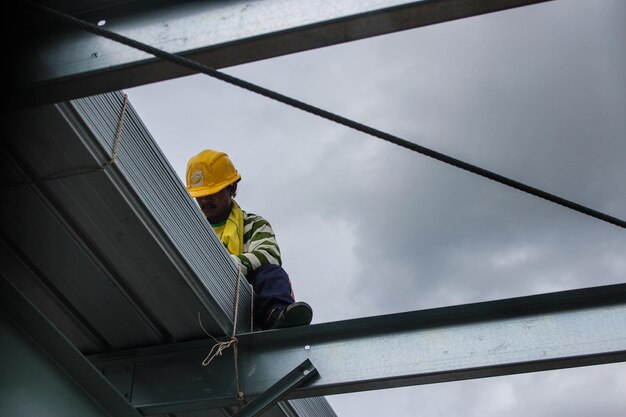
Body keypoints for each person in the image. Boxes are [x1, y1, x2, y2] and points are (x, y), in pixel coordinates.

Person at [186, 149, 313, 330]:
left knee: (271, 273)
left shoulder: (253, 224)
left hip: (245, 299)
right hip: (202, 296)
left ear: (232, 188)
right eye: (200, 194)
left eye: (212, 192)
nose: (205, 200)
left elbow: (269, 255)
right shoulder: (190, 229)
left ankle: (277, 315)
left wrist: (223, 265)